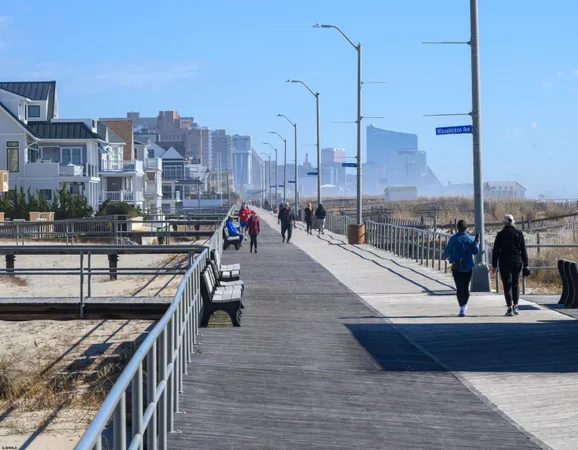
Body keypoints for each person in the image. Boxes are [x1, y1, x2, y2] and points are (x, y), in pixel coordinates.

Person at [492, 214, 529, 316]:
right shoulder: (519, 233)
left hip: (504, 261)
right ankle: (516, 306)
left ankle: (509, 308)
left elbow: (496, 251)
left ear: (504, 223)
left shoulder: (500, 234)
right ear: (513, 222)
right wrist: (526, 264)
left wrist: (494, 265)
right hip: (517, 261)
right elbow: (523, 250)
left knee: (506, 284)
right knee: (515, 283)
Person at [442, 219, 480, 317]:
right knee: (466, 286)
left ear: (457, 228)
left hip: (456, 266)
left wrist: (445, 257)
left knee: (459, 288)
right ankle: (464, 306)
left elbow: (447, 250)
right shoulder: (470, 239)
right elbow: (475, 252)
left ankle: (461, 307)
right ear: (466, 228)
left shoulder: (453, 239)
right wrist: (477, 243)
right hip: (468, 266)